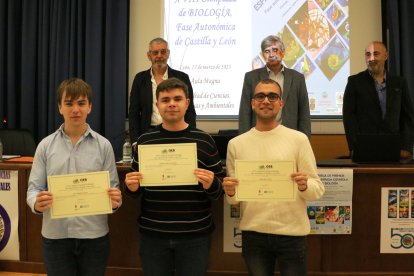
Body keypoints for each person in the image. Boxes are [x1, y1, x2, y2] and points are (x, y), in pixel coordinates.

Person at [124, 77, 224, 275]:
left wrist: (212, 183)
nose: (171, 104)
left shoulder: (204, 140)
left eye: (177, 99)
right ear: (157, 105)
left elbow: (220, 192)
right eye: (165, 99)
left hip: (195, 236)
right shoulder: (145, 141)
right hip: (153, 235)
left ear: (187, 103)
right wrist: (130, 187)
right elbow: (135, 190)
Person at [223, 79, 324, 275]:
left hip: (292, 235)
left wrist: (304, 186)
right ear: (252, 103)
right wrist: (230, 191)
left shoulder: (298, 140)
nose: (266, 101)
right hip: (254, 234)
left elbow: (317, 190)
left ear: (281, 103)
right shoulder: (236, 144)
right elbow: (234, 199)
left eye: (272, 96)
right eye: (260, 96)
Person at [26, 78, 122, 276]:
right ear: (60, 107)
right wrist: (36, 202)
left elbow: (114, 189)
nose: (75, 109)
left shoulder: (103, 146)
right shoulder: (45, 146)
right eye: (69, 103)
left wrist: (115, 201)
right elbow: (33, 189)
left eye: (81, 103)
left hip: (94, 236)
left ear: (90, 107)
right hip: (55, 237)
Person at [343, 41, 414, 159]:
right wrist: (354, 146)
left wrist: (406, 147)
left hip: (395, 148)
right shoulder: (354, 82)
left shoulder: (400, 83)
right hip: (365, 147)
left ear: (386, 56)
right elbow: (349, 117)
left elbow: (408, 117)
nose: (371, 58)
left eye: (376, 54)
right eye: (368, 54)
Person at [238, 35, 311, 137]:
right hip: (258, 136)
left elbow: (304, 113)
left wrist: (305, 139)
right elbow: (244, 113)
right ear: (263, 55)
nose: (271, 54)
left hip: (289, 137)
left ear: (283, 53)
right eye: (267, 51)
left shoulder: (297, 78)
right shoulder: (251, 77)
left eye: (275, 50)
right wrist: (243, 140)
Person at [128, 37, 197, 144]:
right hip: (148, 134)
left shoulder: (182, 77)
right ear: (149, 55)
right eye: (155, 52)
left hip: (177, 133)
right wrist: (135, 141)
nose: (159, 55)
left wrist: (191, 136)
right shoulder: (140, 79)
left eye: (163, 52)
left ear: (168, 54)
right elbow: (133, 112)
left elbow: (190, 111)